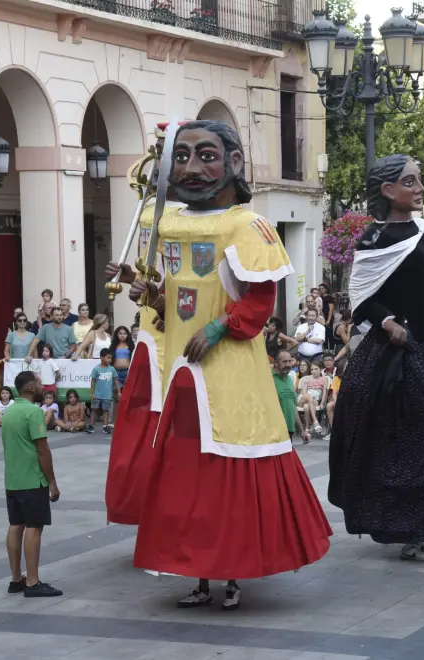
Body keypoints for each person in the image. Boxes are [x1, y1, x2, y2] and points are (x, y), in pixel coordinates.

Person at [131, 120, 331, 609]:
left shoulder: (247, 226)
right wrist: (149, 293)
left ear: (234, 163)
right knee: (186, 479)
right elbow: (171, 303)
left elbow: (261, 300)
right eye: (181, 158)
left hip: (230, 377)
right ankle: (198, 575)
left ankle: (232, 576)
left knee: (227, 474)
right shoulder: (167, 225)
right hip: (182, 374)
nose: (192, 168)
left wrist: (219, 328)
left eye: (206, 155)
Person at [329, 154, 424, 563]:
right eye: (410, 182)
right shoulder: (374, 239)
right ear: (388, 191)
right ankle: (409, 530)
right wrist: (388, 323)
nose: (420, 188)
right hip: (399, 355)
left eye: (419, 180)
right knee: (413, 438)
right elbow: (363, 297)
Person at [102, 121, 185, 527]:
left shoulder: (192, 221)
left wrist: (144, 285)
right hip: (154, 335)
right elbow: (151, 277)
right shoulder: (153, 214)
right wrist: (135, 279)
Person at [2, 370, 62, 598]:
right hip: (32, 480)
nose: (41, 385)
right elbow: (42, 450)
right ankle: (33, 582)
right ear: (29, 387)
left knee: (16, 526)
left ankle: (17, 579)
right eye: (38, 382)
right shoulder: (33, 412)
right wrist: (52, 482)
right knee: (34, 528)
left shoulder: (8, 412)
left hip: (12, 479)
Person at [89, 348, 119, 434]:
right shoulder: (96, 369)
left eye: (110, 358)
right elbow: (93, 381)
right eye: (108, 357)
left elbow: (116, 380)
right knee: (94, 409)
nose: (110, 360)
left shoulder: (112, 369)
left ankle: (105, 426)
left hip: (107, 395)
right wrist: (92, 393)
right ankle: (91, 426)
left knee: (106, 410)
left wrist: (119, 391)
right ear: (101, 358)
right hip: (97, 394)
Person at [272, 350, 297, 440]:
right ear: (275, 363)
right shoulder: (269, 379)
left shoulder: (290, 379)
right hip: (275, 431)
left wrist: (301, 431)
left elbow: (293, 406)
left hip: (290, 430)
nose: (288, 365)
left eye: (290, 361)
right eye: (284, 362)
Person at [111, 326, 134, 390]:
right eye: (120, 333)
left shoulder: (131, 346)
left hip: (128, 372)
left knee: (127, 391)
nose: (122, 335)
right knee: (116, 391)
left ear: (127, 335)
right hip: (116, 372)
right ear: (117, 335)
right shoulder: (113, 346)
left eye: (124, 334)